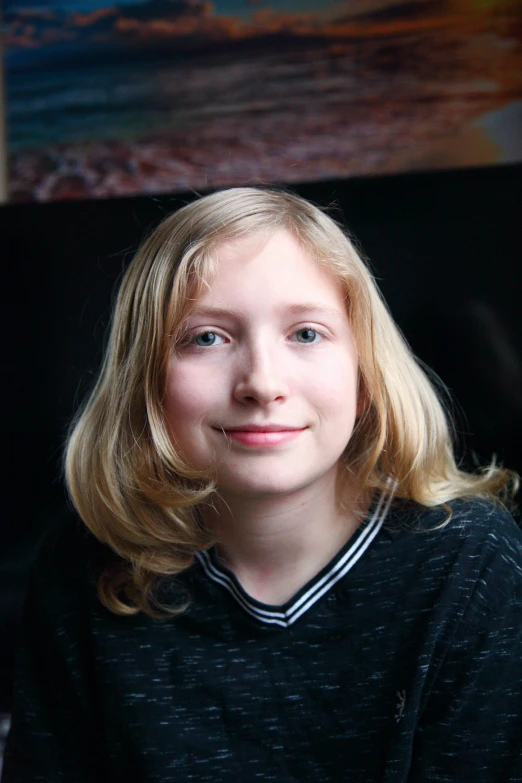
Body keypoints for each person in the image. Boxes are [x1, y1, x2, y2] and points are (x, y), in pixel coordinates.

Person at [3, 186, 522, 782]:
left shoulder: (469, 562)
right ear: (145, 380)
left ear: (364, 369)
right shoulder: (81, 566)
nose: (262, 383)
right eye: (207, 337)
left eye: (306, 333)